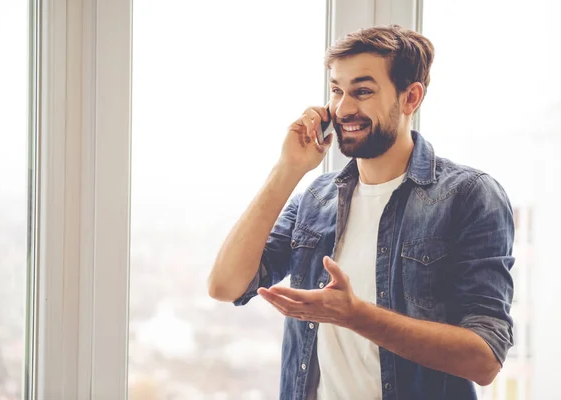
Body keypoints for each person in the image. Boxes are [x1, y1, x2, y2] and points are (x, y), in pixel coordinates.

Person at [207, 24, 514, 400]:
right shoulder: (317, 199)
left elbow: (485, 359)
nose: (343, 108)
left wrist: (355, 316)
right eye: (336, 91)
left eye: (362, 92)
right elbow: (226, 285)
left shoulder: (468, 195)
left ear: (410, 98)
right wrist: (288, 169)